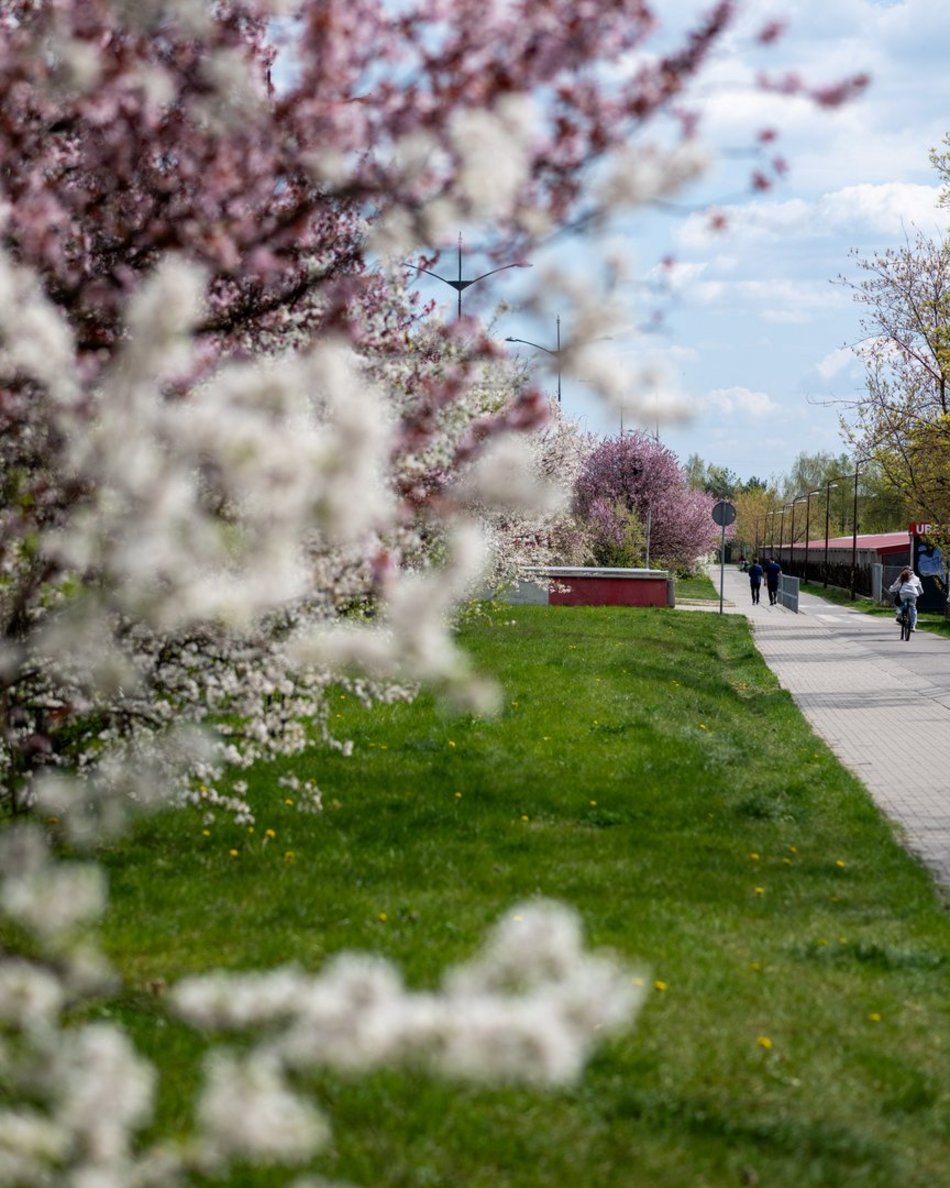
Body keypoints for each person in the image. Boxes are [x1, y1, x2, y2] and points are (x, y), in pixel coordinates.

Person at [889, 566, 924, 631]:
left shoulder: (902, 576)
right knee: (913, 608)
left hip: (903, 593)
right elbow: (920, 589)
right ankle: (913, 626)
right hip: (913, 594)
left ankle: (899, 615)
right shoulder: (916, 578)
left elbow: (895, 586)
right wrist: (919, 593)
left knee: (901, 604)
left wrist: (891, 589)